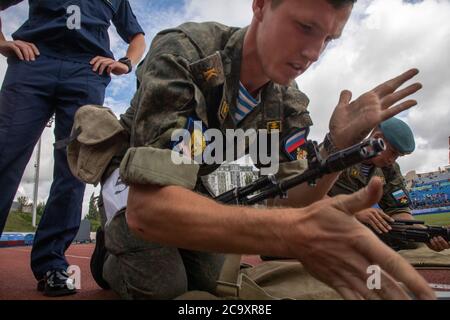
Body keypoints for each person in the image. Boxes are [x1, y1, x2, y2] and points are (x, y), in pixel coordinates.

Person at [91, 0, 435, 300]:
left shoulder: (286, 99)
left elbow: (293, 199)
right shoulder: (184, 52)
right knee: (165, 287)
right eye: (305, 27)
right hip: (132, 177)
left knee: (213, 281)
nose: (313, 54)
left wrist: (335, 149)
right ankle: (107, 258)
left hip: (191, 178)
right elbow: (147, 208)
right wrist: (289, 231)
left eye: (328, 39)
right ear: (260, 5)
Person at [0, 0, 145, 296]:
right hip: (33, 64)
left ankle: (51, 262)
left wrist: (126, 62)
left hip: (86, 72)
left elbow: (137, 37)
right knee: (5, 153)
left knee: (74, 168)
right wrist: (1, 42)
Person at [328, 117, 450, 252]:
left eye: (397, 156)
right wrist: (351, 210)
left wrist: (425, 234)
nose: (392, 160)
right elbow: (307, 195)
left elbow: (398, 210)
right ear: (377, 138)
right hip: (326, 223)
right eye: (392, 152)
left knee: (414, 244)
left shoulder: (389, 169)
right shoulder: (338, 153)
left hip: (360, 230)